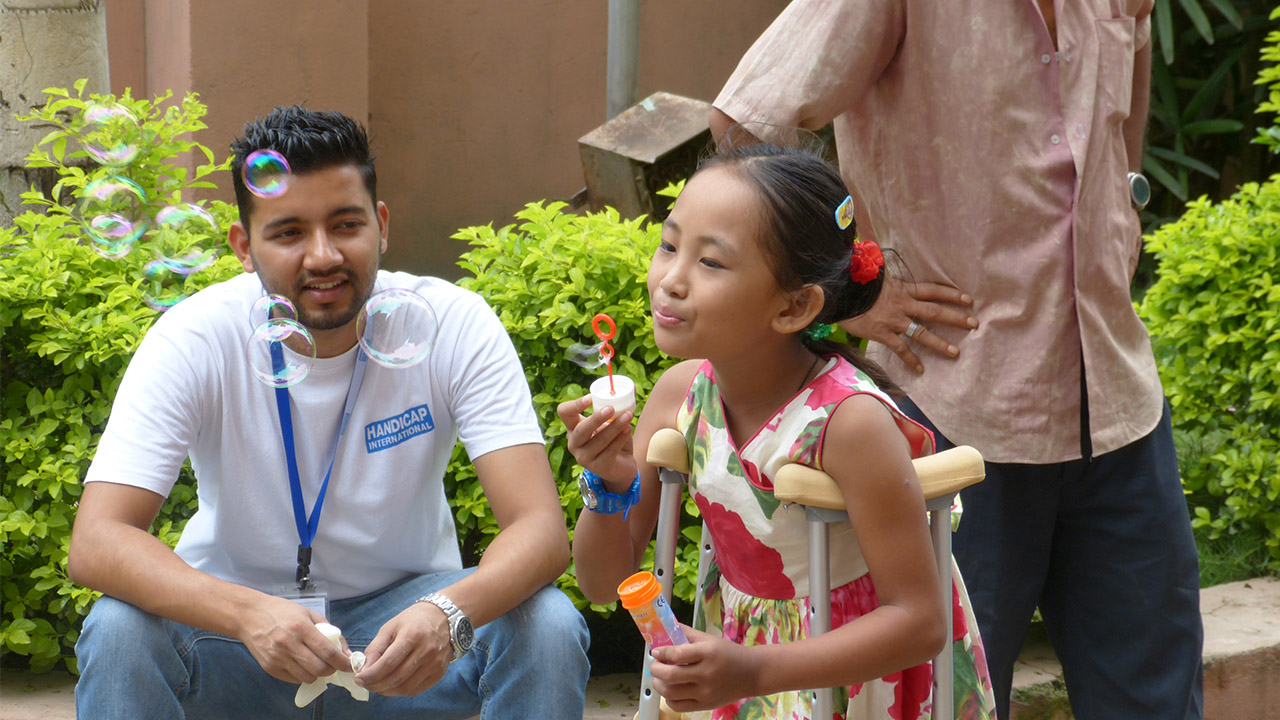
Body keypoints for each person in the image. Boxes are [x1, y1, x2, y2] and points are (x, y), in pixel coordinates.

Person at [709, 2, 1204, 719]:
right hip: (950, 415)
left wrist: (1120, 213)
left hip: (1119, 403)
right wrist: (854, 287)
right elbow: (747, 123)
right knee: (945, 705)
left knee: (1157, 704)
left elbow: (1129, 78)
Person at [68, 106, 590, 719]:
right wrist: (247, 614)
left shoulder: (454, 323)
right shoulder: (195, 336)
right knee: (119, 629)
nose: (322, 256)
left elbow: (540, 531)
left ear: (382, 225)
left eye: (346, 225)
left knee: (547, 624)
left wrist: (446, 612)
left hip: (406, 643)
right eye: (288, 232)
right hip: (241, 642)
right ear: (244, 246)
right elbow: (98, 540)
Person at [558, 144, 995, 719]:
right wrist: (607, 482)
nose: (671, 279)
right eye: (668, 246)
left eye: (711, 262)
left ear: (794, 307)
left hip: (857, 681)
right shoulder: (681, 395)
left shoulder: (849, 423)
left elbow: (919, 620)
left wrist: (755, 669)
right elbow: (603, 581)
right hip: (744, 671)